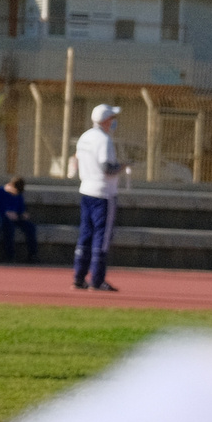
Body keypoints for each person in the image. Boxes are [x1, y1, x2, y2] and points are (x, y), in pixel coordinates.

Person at [74, 103, 128, 291]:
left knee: (85, 234)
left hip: (86, 190)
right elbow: (107, 168)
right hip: (103, 193)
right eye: (112, 119)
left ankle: (79, 277)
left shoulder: (84, 137)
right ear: (105, 121)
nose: (114, 122)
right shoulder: (104, 140)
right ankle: (97, 279)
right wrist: (122, 166)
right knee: (101, 237)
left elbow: (77, 161)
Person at [0, 175, 38, 261]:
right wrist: (6, 213)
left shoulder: (19, 195)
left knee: (30, 227)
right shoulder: (0, 192)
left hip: (16, 217)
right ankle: (10, 254)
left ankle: (33, 254)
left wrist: (23, 214)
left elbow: (21, 209)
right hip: (4, 217)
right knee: (9, 227)